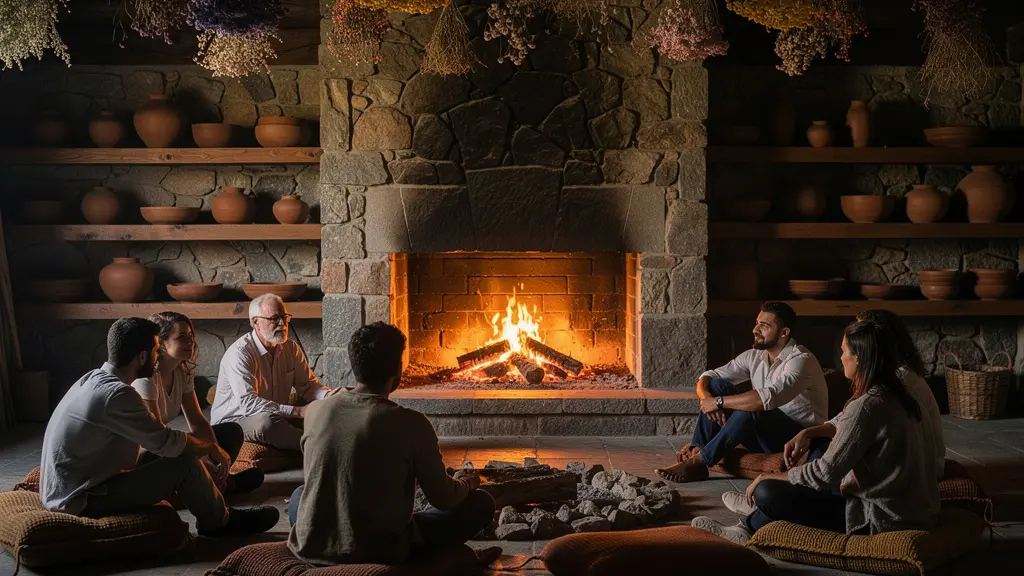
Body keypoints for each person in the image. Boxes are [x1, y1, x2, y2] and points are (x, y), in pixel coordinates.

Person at [691, 320, 940, 545]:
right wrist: (810, 432)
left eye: (844, 351)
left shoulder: (868, 406)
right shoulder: (897, 393)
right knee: (815, 449)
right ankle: (754, 514)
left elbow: (824, 474)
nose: (840, 357)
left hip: (881, 516)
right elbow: (842, 427)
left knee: (769, 492)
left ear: (860, 358)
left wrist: (770, 478)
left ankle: (747, 525)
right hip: (910, 508)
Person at [287, 322, 501, 568]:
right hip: (381, 550)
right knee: (481, 503)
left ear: (354, 366)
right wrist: (467, 482)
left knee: (299, 496)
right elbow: (444, 499)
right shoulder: (412, 423)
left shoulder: (315, 410)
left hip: (311, 543)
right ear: (398, 370)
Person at [39, 317, 279, 537]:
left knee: (192, 450)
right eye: (155, 351)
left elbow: (177, 431)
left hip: (85, 484)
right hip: (81, 499)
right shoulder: (118, 394)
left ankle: (215, 490)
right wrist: (208, 448)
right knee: (184, 463)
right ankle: (218, 522)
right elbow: (165, 442)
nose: (158, 356)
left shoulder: (92, 378)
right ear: (142, 357)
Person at [655, 302, 828, 483]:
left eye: (764, 326)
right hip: (762, 432)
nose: (755, 329)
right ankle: (698, 449)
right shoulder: (754, 356)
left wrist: (719, 403)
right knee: (717, 385)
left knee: (753, 409)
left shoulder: (801, 360)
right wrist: (707, 399)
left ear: (784, 333)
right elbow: (707, 376)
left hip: (794, 438)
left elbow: (765, 399)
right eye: (757, 323)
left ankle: (700, 461)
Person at [132, 311, 264, 495]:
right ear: (161, 344)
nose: (190, 342)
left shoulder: (182, 373)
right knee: (178, 452)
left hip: (166, 443)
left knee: (231, 432)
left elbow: (197, 420)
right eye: (182, 337)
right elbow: (158, 438)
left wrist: (215, 454)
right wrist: (201, 459)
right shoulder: (145, 379)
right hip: (146, 454)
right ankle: (216, 485)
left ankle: (216, 481)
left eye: (191, 336)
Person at [211, 293, 331, 452]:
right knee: (266, 423)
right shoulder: (240, 354)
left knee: (325, 411)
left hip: (274, 414)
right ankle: (319, 447)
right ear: (256, 322)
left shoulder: (291, 348)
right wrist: (298, 411)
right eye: (274, 318)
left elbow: (308, 386)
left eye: (284, 317)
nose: (282, 324)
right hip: (235, 422)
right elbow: (249, 405)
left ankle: (316, 441)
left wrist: (331, 397)